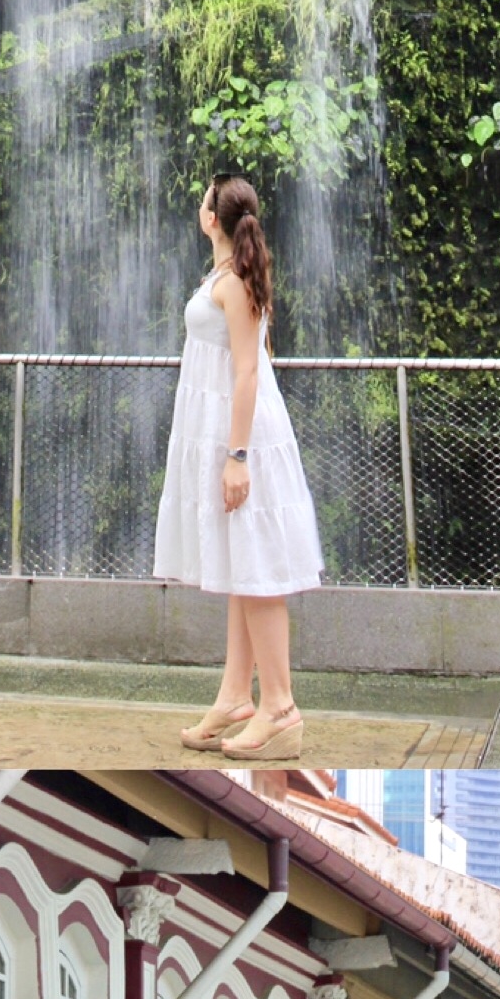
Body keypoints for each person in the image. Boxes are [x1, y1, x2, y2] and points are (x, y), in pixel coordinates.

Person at [155, 173, 325, 757]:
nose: (198, 207)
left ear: (211, 219)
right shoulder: (225, 278)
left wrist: (237, 456)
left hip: (242, 436)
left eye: (201, 199)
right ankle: (235, 695)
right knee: (238, 565)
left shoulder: (235, 285)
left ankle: (280, 707)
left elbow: (249, 371)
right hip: (224, 430)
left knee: (258, 572)